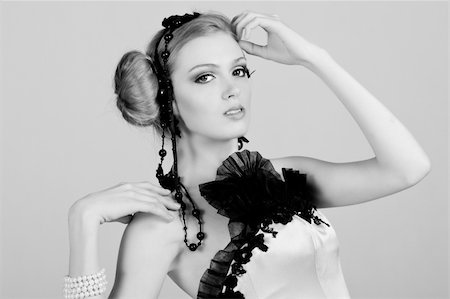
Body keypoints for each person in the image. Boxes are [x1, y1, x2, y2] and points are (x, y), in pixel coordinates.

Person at [65, 10, 431, 299]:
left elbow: (408, 168)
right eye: (204, 77)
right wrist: (83, 220)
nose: (233, 90)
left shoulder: (285, 177)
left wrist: (316, 59)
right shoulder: (163, 225)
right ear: (168, 99)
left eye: (239, 70)